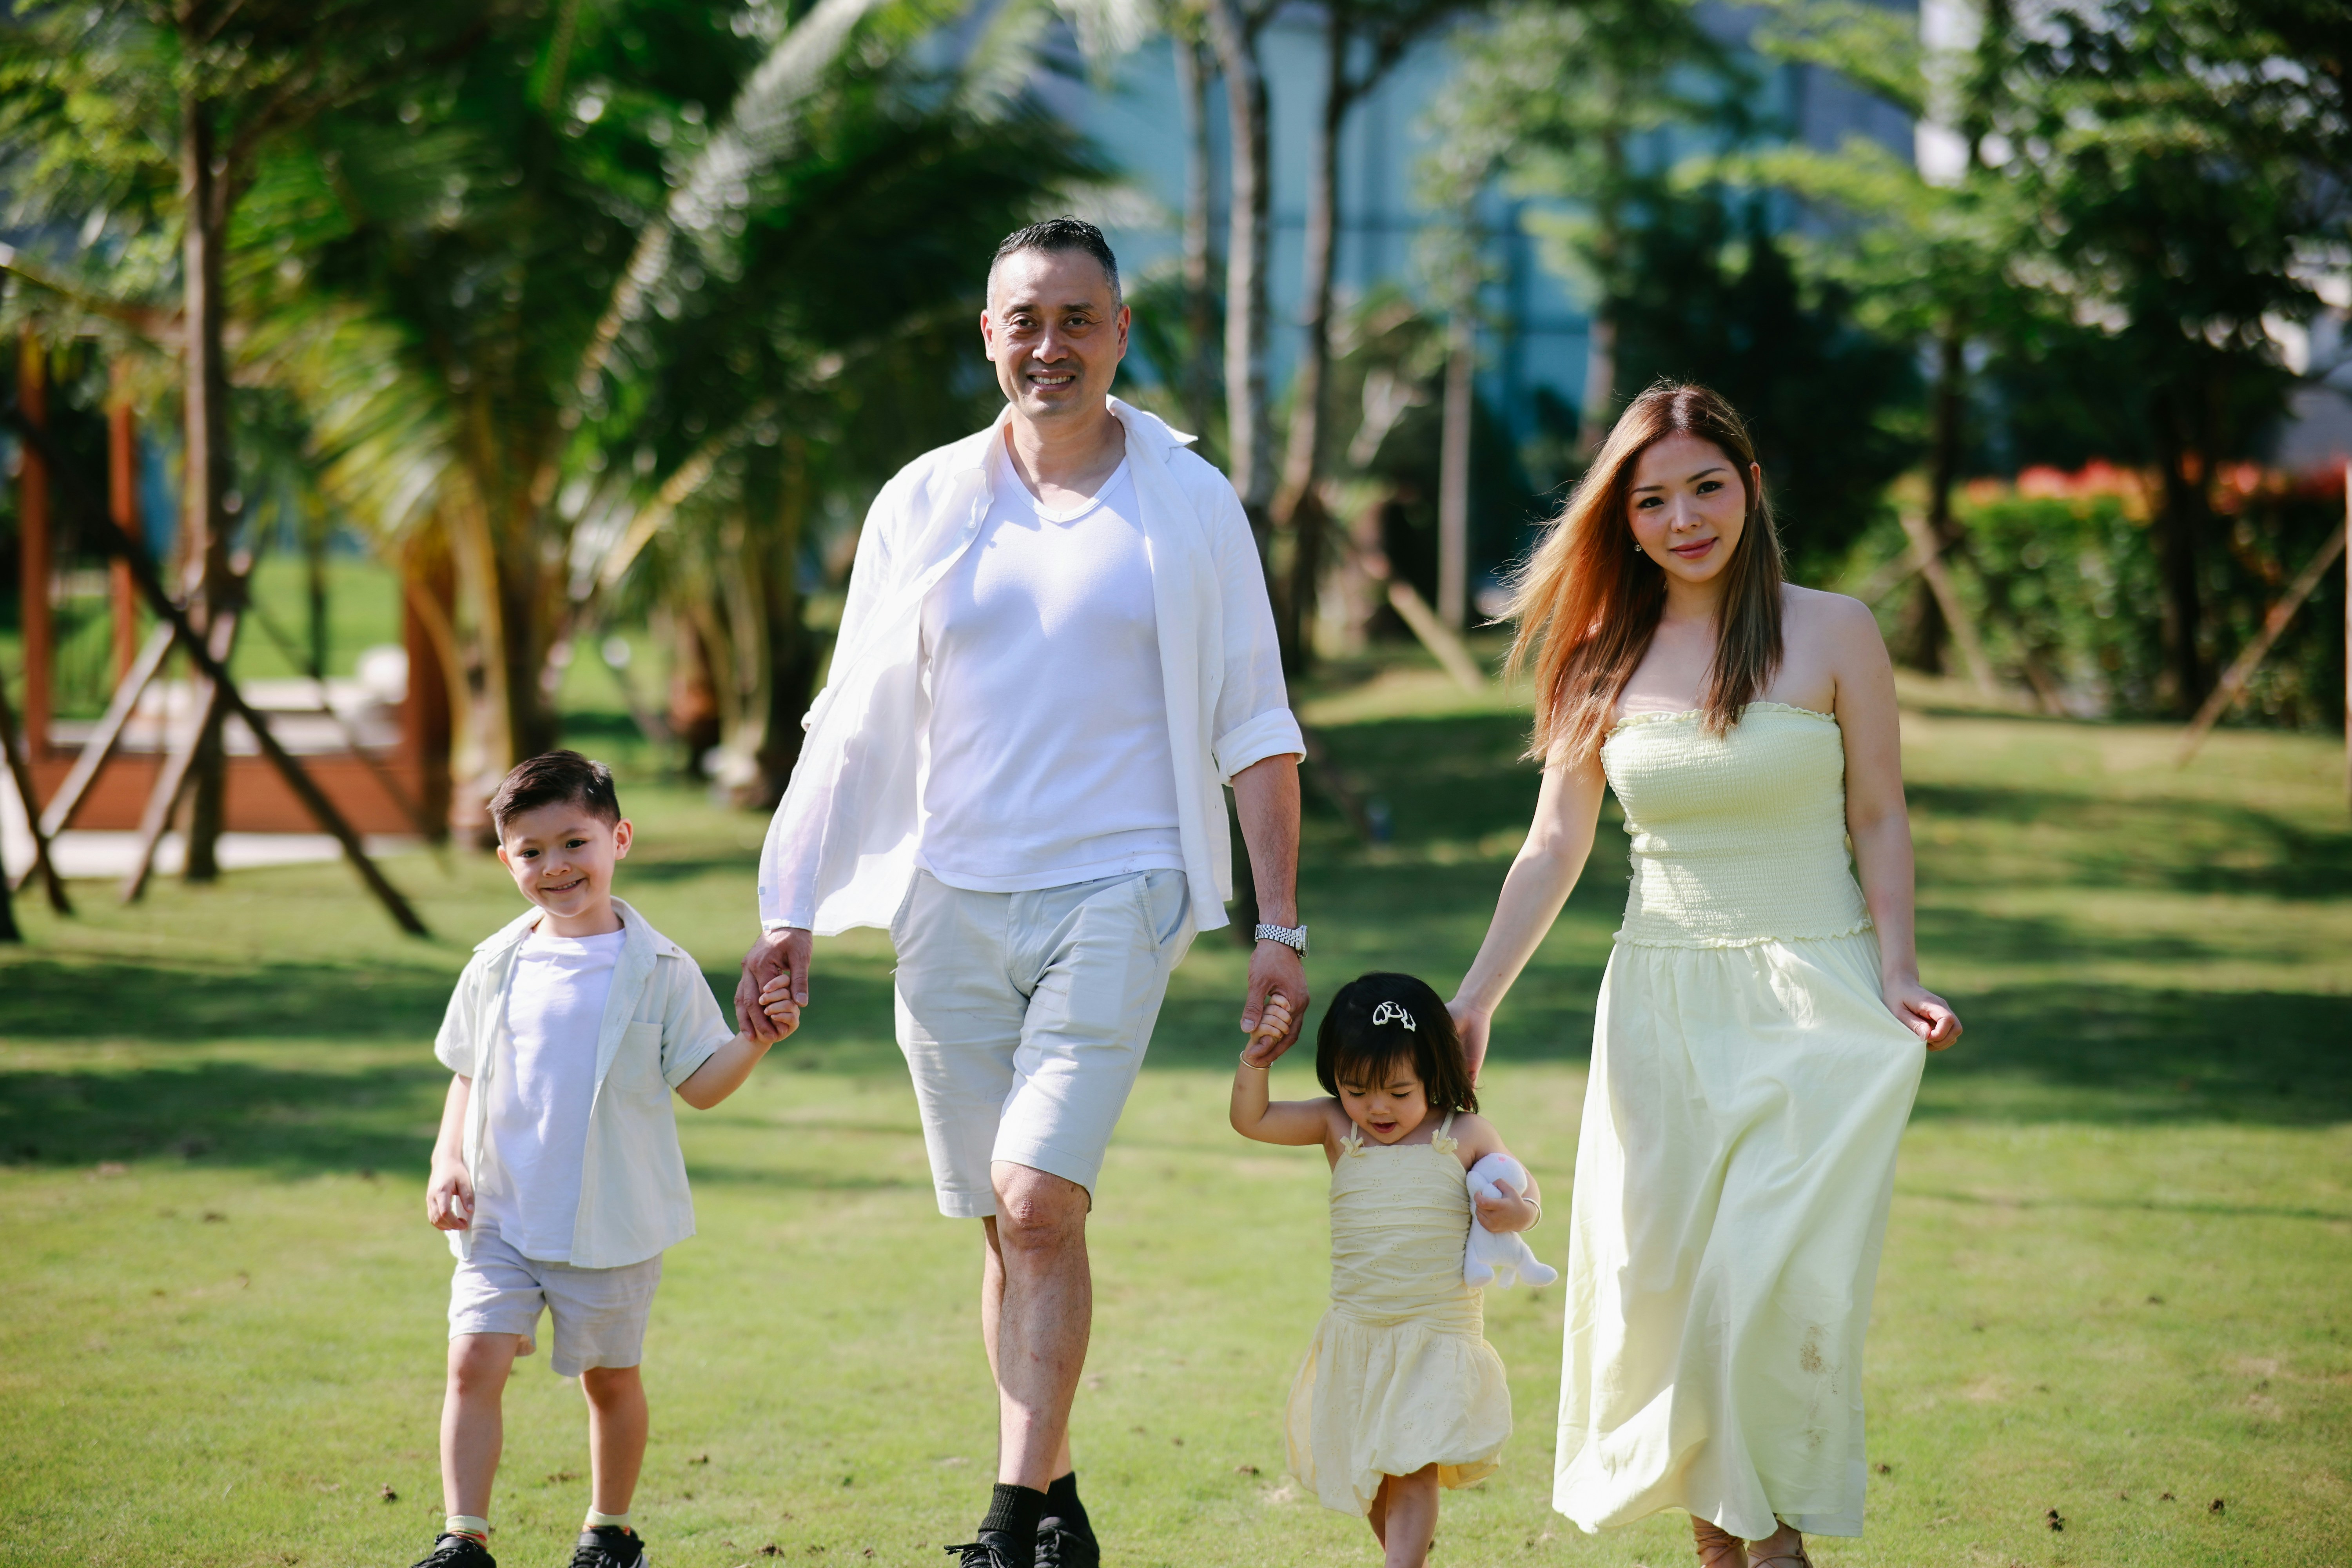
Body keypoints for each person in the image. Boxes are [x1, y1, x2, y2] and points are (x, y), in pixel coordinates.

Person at [738, 216, 1310, 1568]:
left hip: (1122, 883)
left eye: (1077, 319)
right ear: (986, 336)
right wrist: (792, 908)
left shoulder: (1186, 500)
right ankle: (1056, 1506)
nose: (1049, 345)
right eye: (1023, 320)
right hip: (951, 897)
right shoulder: (924, 500)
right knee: (1007, 1221)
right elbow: (853, 719)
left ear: (1119, 334)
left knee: (1039, 1195)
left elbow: (1256, 720)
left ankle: (1002, 1521)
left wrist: (1278, 927)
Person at [1445, 384, 1963, 1568]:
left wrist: (1900, 967)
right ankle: (1730, 1551)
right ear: (1622, 519)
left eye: (1706, 487)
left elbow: (1878, 816)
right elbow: (1554, 847)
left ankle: (1770, 1547)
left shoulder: (1836, 631)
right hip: (1663, 1013)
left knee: (1762, 1291)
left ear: (1751, 487)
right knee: (1674, 1299)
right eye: (1654, 498)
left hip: (1820, 1003)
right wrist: (1476, 999)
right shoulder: (1596, 654)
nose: (1686, 518)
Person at [414, 751, 799, 1568]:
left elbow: (701, 1084)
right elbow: (468, 1071)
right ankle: (464, 1536)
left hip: (611, 1219)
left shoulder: (661, 969)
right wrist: (448, 1159)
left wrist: (754, 1040)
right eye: (530, 851)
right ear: (505, 858)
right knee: (472, 1358)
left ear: (618, 837)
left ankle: (610, 1529)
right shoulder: (494, 963)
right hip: (502, 1212)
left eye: (574, 842)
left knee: (610, 1380)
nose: (554, 866)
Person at [1228, 974, 1535, 1568]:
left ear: (1435, 1074)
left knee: (1413, 1463)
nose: (1377, 1109)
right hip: (1360, 1333)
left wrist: (1515, 1211)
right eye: (1356, 1090)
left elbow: (1527, 1194)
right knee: (1366, 1469)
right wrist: (1257, 1057)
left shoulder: (1464, 1135)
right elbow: (1253, 1119)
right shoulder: (1337, 1130)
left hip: (1436, 1333)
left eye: (1399, 1091)